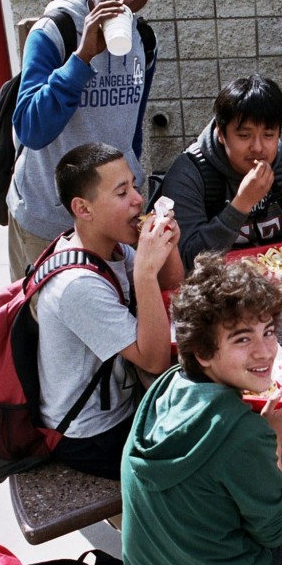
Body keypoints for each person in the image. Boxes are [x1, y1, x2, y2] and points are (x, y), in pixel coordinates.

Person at [121, 253, 282, 565]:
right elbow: (274, 531)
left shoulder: (165, 385)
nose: (265, 351)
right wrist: (274, 444)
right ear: (203, 352)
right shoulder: (242, 434)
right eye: (241, 339)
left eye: (268, 332)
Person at [8, 0, 179, 280]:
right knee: (44, 331)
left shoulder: (144, 41)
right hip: (48, 218)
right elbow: (32, 129)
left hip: (110, 219)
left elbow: (130, 130)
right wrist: (81, 57)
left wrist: (132, 191)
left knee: (114, 317)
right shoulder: (55, 32)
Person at [36, 143, 183, 479]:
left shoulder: (111, 247)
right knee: (208, 454)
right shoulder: (77, 286)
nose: (137, 199)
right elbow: (154, 360)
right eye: (121, 192)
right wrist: (145, 272)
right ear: (83, 209)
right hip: (91, 434)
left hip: (124, 400)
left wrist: (168, 247)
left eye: (134, 185)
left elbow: (174, 295)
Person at [161, 74, 282, 270]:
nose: (258, 147)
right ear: (220, 133)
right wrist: (241, 205)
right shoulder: (188, 175)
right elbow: (185, 263)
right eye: (244, 135)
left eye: (268, 135)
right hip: (211, 292)